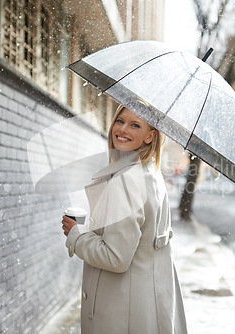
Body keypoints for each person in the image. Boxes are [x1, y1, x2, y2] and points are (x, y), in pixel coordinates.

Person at [61, 105, 187, 334]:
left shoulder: (126, 180)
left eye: (135, 125)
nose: (123, 129)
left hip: (121, 310)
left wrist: (76, 234)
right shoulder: (151, 173)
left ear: (151, 136)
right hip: (148, 303)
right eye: (120, 121)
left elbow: (115, 257)